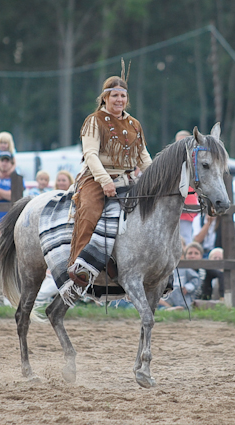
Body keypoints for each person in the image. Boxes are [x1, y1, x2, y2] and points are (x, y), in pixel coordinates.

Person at [67, 75, 152, 287]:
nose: (119, 99)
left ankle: (148, 267)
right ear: (105, 97)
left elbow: (143, 157)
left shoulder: (134, 124)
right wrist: (105, 180)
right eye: (114, 95)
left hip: (128, 180)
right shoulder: (94, 121)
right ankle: (81, 267)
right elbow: (91, 154)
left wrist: (156, 179)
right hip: (95, 179)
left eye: (123, 95)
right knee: (89, 212)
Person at [159, 242, 202, 310]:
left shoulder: (185, 269)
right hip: (168, 297)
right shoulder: (165, 270)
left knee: (184, 306)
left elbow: (195, 279)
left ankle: (178, 309)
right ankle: (169, 309)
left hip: (181, 297)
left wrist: (188, 287)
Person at [176, 130, 200, 245]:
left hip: (188, 203)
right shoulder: (171, 161)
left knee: (186, 236)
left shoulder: (194, 163)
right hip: (172, 204)